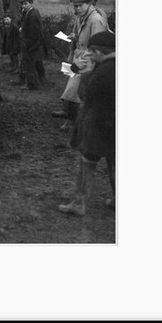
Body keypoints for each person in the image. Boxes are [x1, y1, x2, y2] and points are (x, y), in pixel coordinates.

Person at [58, 30, 116, 216]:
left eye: (92, 51)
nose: (89, 54)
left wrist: (88, 72)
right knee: (115, 163)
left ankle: (79, 203)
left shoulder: (102, 71)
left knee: (87, 162)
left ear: (100, 52)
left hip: (98, 124)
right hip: (115, 125)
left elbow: (85, 94)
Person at [52, 0, 111, 126]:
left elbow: (96, 46)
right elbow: (82, 38)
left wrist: (79, 63)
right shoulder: (82, 16)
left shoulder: (96, 20)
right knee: (73, 89)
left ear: (89, 4)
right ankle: (70, 118)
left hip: (88, 60)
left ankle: (77, 121)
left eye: (79, 6)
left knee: (79, 92)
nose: (77, 9)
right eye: (75, 6)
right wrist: (75, 38)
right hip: (78, 56)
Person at [11, 0, 46, 90]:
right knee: (27, 64)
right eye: (22, 4)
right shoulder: (28, 13)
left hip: (31, 44)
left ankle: (31, 85)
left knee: (30, 65)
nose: (23, 6)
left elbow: (34, 33)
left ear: (30, 3)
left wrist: (27, 44)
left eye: (26, 3)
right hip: (29, 43)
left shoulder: (33, 14)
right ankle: (29, 82)